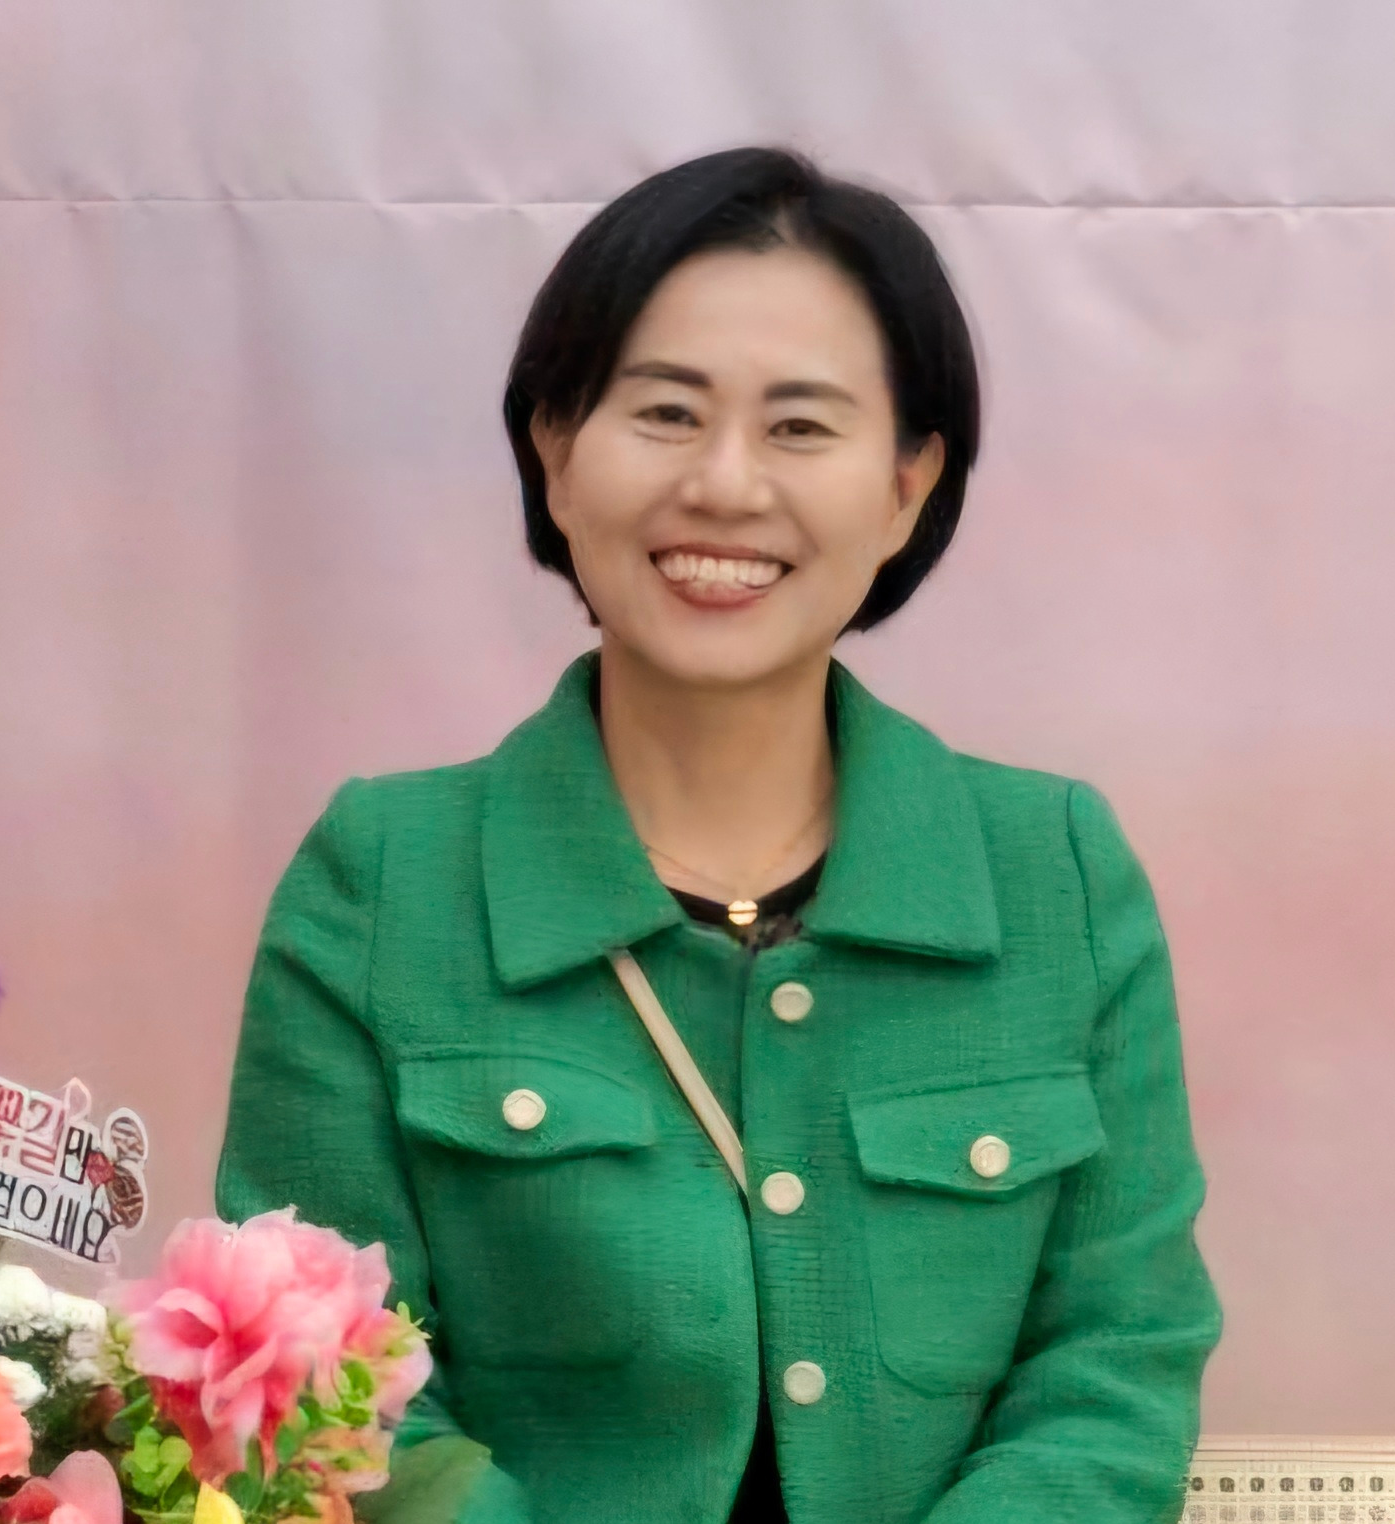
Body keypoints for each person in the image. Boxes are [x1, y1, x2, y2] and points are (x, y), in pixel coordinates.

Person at [215, 145, 1223, 1524]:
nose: (726, 485)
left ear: (907, 485)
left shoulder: (1052, 870)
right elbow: (322, 1384)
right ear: (554, 451)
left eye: (801, 427)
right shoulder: (383, 877)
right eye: (666, 413)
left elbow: (1118, 1357)